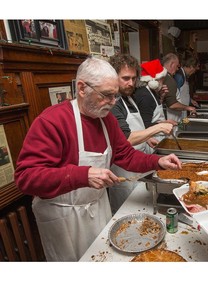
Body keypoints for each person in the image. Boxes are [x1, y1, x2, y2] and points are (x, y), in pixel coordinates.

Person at [14, 57, 182, 261]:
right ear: (82, 88)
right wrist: (82, 175)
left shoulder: (106, 119)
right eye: (107, 95)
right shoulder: (52, 121)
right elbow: (26, 177)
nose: (113, 103)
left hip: (97, 207)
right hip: (64, 218)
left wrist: (157, 162)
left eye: (115, 96)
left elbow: (125, 155)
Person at [108, 54, 174, 214]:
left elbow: (134, 127)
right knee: (127, 212)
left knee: (143, 209)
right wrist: (157, 128)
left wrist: (148, 138)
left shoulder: (128, 98)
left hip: (139, 162)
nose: (130, 83)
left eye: (133, 78)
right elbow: (126, 139)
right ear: (112, 76)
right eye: (125, 78)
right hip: (124, 170)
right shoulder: (113, 103)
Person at [133, 59, 177, 140]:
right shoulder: (145, 96)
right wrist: (163, 125)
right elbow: (145, 126)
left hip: (158, 136)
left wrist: (161, 97)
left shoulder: (151, 92)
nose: (163, 82)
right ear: (154, 81)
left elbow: (153, 114)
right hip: (152, 140)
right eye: (162, 79)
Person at [162, 53, 196, 123]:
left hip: (176, 118)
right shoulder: (169, 79)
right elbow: (172, 104)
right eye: (177, 66)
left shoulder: (166, 77)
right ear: (172, 64)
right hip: (171, 119)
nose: (177, 69)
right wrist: (188, 107)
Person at [174, 54, 200, 120]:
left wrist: (190, 100)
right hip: (178, 112)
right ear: (191, 67)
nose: (194, 72)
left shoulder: (185, 76)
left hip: (184, 110)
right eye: (195, 69)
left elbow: (182, 92)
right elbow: (175, 95)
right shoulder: (179, 77)